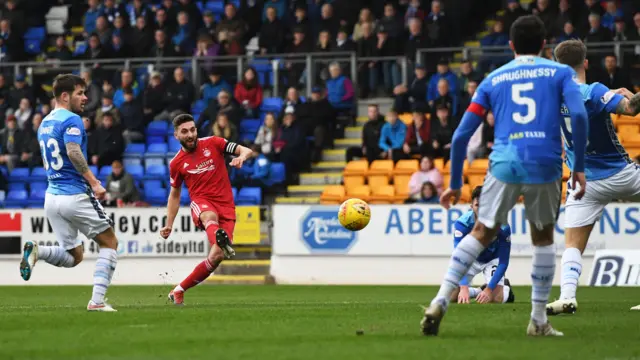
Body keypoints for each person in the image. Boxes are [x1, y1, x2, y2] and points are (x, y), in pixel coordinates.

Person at [422, 16, 588, 337]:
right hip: (545, 164)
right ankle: (538, 320)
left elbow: (460, 136)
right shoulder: (560, 73)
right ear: (544, 46)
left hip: (503, 163)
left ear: (510, 45)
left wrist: (456, 183)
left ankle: (441, 298)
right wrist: (578, 165)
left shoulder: (493, 78)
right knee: (542, 239)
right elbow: (579, 115)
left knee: (482, 231)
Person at [546, 40, 640, 315]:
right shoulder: (594, 91)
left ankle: (567, 297)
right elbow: (632, 108)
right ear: (585, 63)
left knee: (573, 242)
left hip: (583, 181)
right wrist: (628, 94)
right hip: (622, 174)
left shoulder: (552, 96)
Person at [19, 74, 120, 312]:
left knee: (74, 256)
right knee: (110, 243)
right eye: (80, 93)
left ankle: (38, 251)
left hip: (51, 197)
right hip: (74, 194)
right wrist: (94, 182)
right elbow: (73, 151)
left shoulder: (44, 122)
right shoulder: (72, 119)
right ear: (65, 96)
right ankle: (96, 302)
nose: (85, 98)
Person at [163, 114, 252, 305]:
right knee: (209, 216)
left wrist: (242, 157)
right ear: (176, 135)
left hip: (226, 206)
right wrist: (168, 224)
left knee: (217, 256)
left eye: (193, 130)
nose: (190, 134)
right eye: (184, 131)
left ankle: (178, 290)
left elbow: (245, 150)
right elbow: (175, 194)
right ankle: (220, 237)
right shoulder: (176, 163)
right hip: (202, 203)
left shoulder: (214, 143)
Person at [450, 186, 514, 304]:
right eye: (478, 205)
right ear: (471, 207)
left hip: (492, 259)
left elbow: (503, 262)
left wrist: (489, 290)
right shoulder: (462, 224)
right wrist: (463, 288)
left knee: (495, 299)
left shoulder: (503, 226)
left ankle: (506, 290)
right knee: (451, 296)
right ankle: (478, 291)